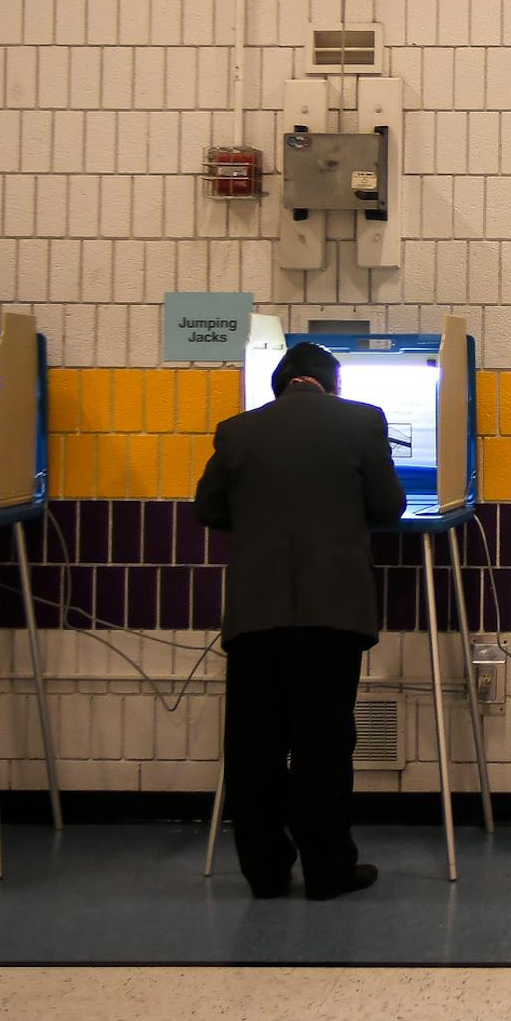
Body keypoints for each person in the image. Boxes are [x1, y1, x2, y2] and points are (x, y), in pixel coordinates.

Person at [195, 339, 403, 899]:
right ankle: (328, 871)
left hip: (257, 610)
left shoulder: (237, 429)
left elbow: (208, 508)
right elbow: (389, 506)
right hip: (331, 609)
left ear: (280, 384)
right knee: (324, 743)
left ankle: (264, 872)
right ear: (332, 383)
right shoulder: (362, 422)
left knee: (254, 744)